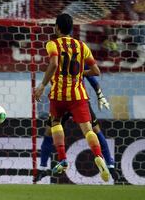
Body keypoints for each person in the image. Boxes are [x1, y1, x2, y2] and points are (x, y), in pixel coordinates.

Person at [34, 13, 110, 182]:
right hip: (78, 95)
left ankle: (62, 159)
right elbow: (96, 71)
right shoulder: (82, 46)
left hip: (59, 95)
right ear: (71, 29)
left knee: (55, 123)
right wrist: (79, 73)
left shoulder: (52, 44)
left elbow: (53, 64)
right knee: (88, 130)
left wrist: (42, 85)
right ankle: (99, 157)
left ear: (57, 28)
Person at [34, 73, 119, 182]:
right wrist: (100, 95)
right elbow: (93, 75)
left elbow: (92, 75)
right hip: (79, 100)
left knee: (51, 131)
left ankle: (44, 167)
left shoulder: (56, 61)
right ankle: (109, 165)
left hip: (62, 101)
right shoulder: (79, 58)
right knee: (93, 130)